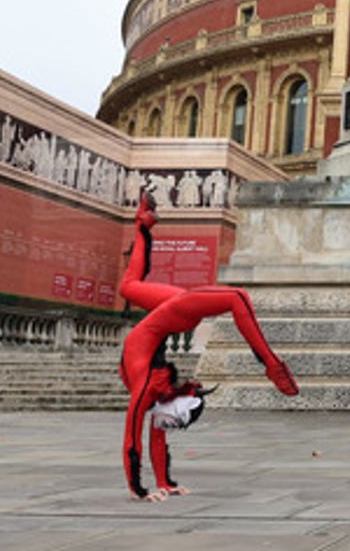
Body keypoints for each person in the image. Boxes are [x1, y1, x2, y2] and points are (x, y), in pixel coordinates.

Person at [117, 194, 299, 501]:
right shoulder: (155, 391)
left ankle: (272, 365)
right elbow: (156, 437)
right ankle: (142, 225)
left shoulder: (147, 387)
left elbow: (132, 440)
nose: (169, 420)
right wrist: (165, 484)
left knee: (236, 297)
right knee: (130, 286)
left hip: (165, 321)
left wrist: (139, 490)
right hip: (167, 322)